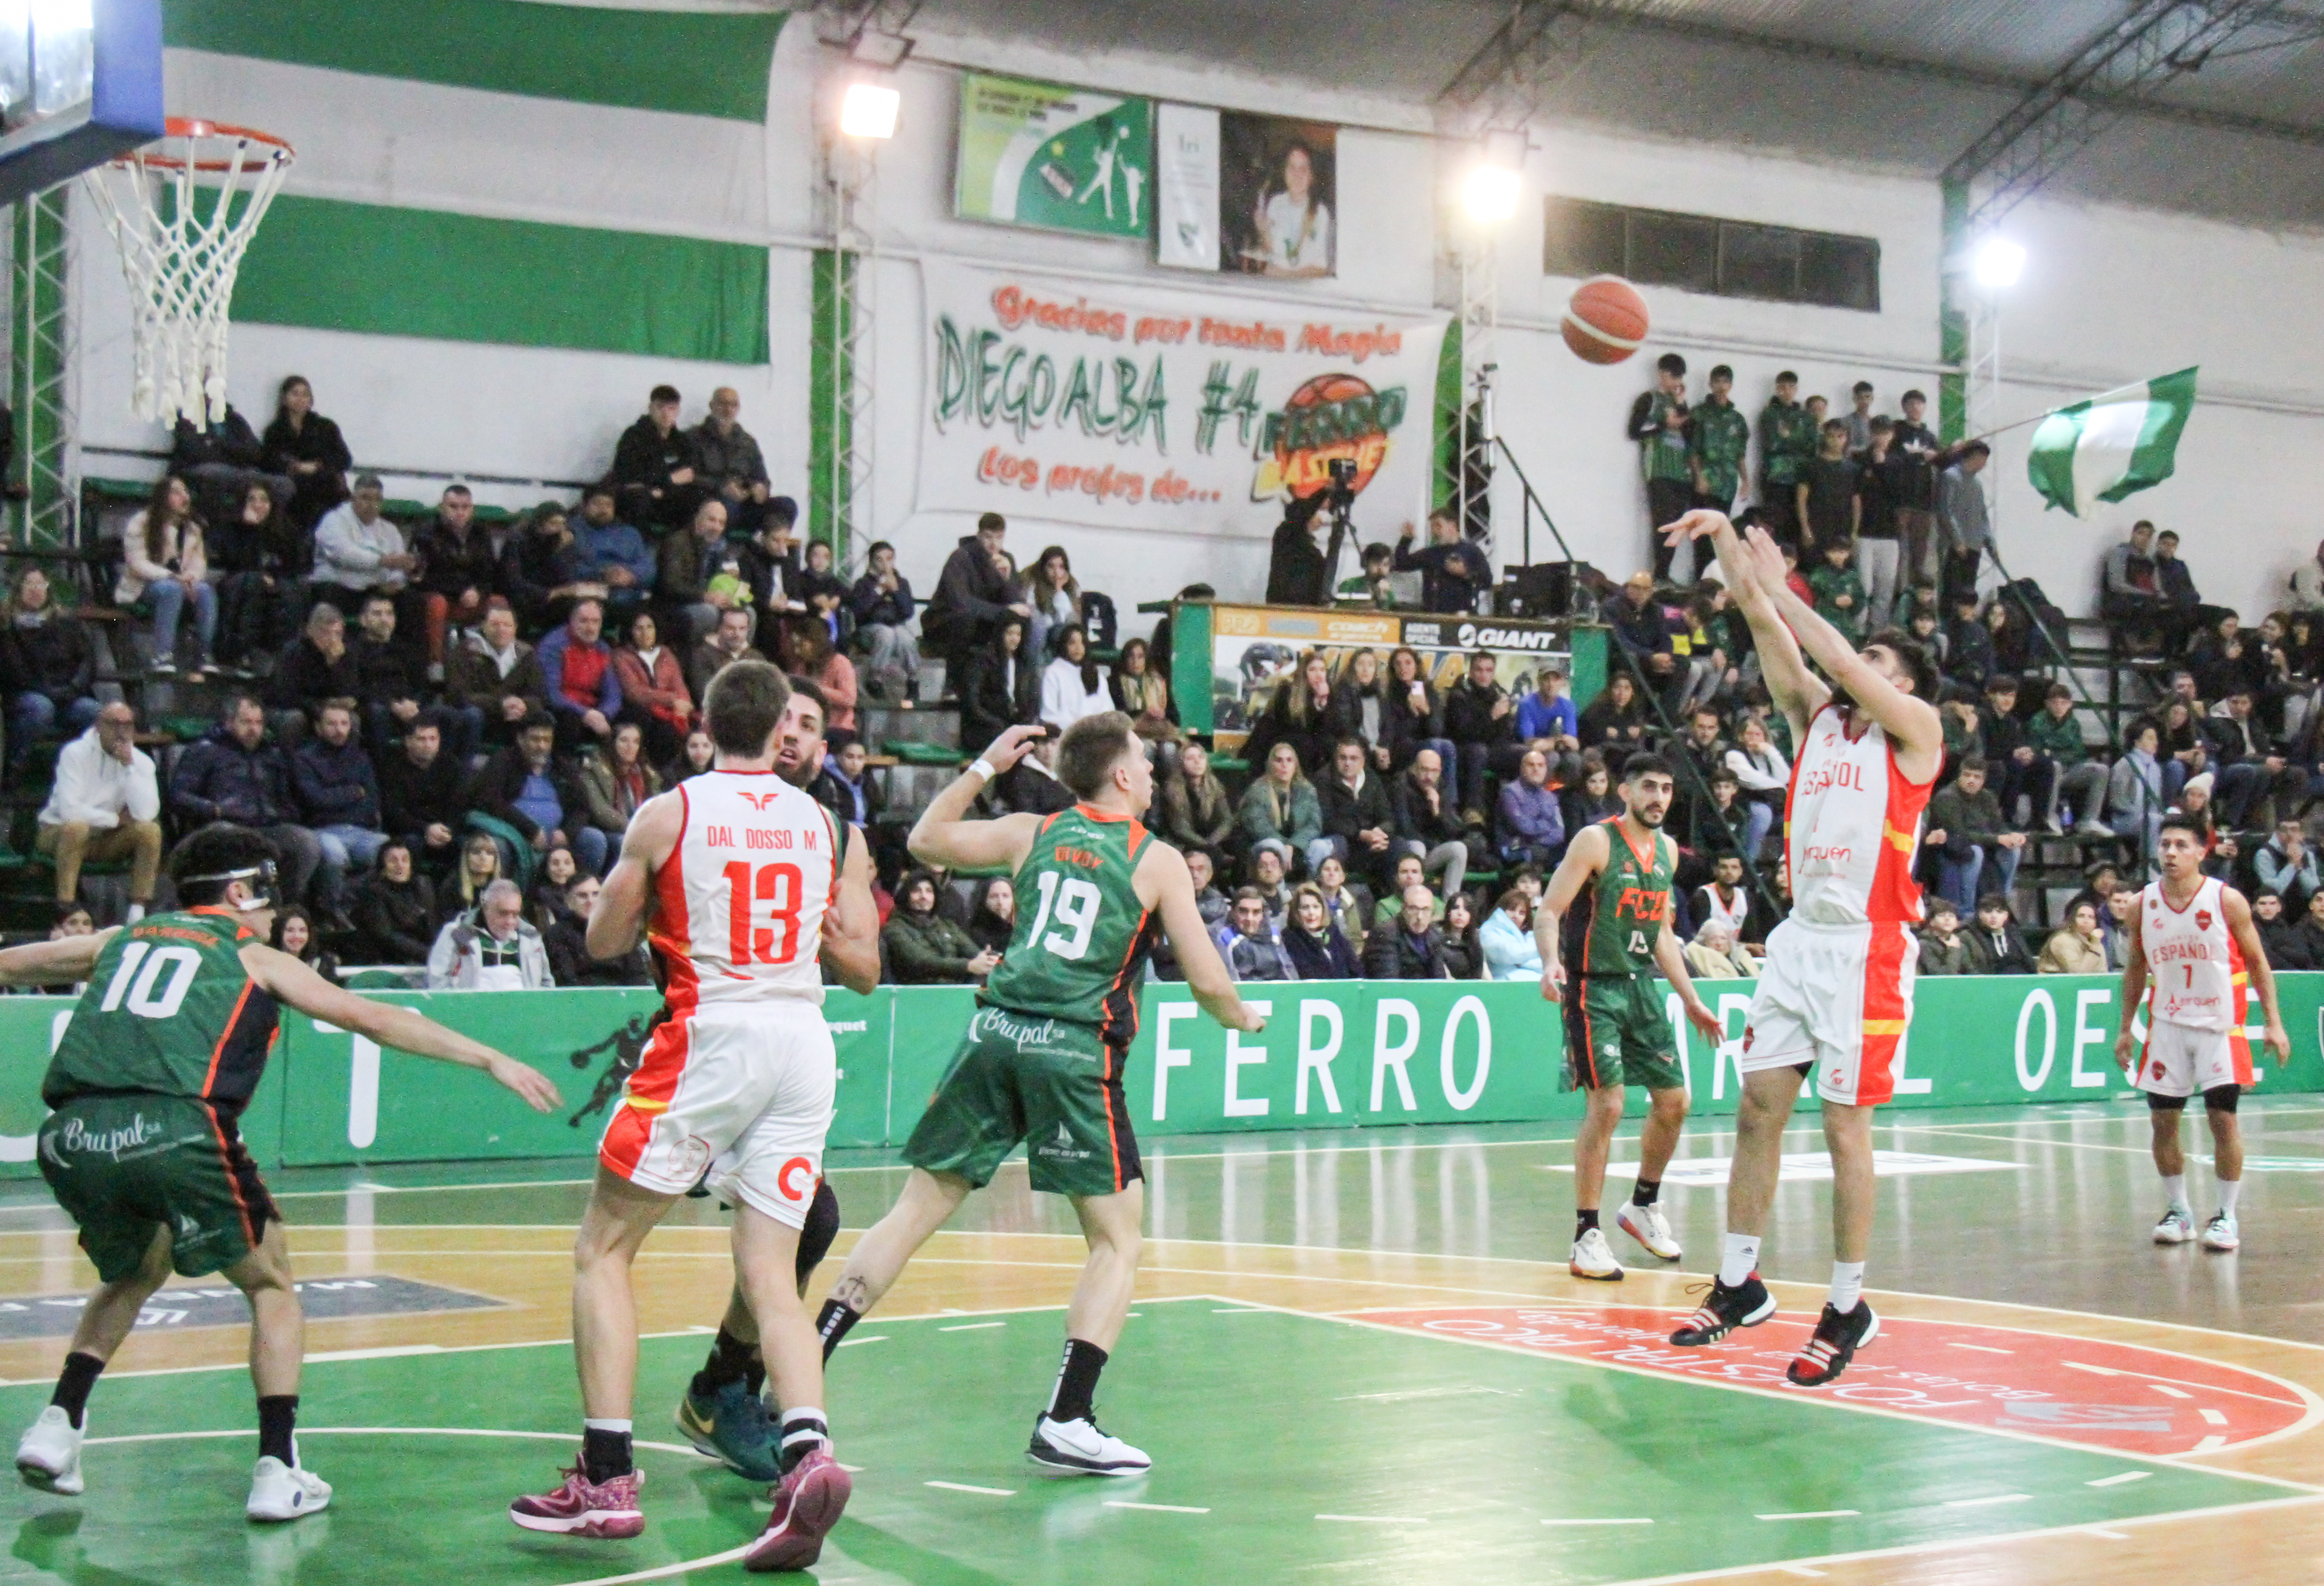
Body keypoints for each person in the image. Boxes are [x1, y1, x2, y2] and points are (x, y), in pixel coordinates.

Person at [11, 825, 556, 1520]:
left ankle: (58, 1424)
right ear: (239, 892)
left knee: (135, 1269)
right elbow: (371, 1016)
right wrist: (488, 1057)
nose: (274, 913)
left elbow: (21, 961)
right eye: (267, 893)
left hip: (72, 1134)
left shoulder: (122, 939)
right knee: (271, 1282)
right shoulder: (251, 953)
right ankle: (278, 1467)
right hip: (175, 1128)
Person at [816, 715, 1263, 1477]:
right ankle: (1067, 1416)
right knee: (1117, 1239)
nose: (1154, 775)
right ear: (1120, 776)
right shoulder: (1154, 861)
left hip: (994, 1033)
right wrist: (1243, 1016)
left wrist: (985, 766)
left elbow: (924, 836)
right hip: (1071, 1050)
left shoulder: (1031, 829)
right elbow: (1208, 978)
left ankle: (797, 1372)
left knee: (915, 1207)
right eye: (1145, 764)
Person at [511, 661, 877, 1568]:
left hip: (711, 1035)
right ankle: (806, 1451)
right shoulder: (829, 824)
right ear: (778, 731)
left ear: (704, 725)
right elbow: (855, 949)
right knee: (771, 1271)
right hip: (803, 1038)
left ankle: (605, 1476)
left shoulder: (670, 812)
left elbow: (602, 940)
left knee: (603, 1249)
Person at [1662, 507, 1944, 1385]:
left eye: (1880, 667)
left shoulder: (1917, 734)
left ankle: (1848, 1303)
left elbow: (1839, 656)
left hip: (1870, 949)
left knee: (1844, 1129)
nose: (1862, 672)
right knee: (1757, 1109)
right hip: (1798, 943)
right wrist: (1723, 540)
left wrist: (1787, 588)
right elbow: (1757, 617)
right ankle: (1740, 1282)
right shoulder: (1815, 721)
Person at [1536, 752, 1722, 1281]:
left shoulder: (1665, 850)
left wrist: (1690, 998)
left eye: (1666, 788)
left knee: (1674, 1101)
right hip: (1590, 988)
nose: (1658, 797)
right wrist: (1550, 963)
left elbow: (1661, 930)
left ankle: (1642, 1204)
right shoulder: (1595, 842)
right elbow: (1549, 910)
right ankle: (1585, 1235)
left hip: (1641, 987)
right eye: (1648, 786)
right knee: (1609, 1104)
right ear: (1625, 791)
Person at [2116, 812, 2291, 1253]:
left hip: (2219, 1026)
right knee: (2162, 1122)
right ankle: (2179, 1210)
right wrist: (2125, 1029)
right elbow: (2136, 967)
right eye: (2165, 845)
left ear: (2201, 851)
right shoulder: (2142, 904)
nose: (2171, 853)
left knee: (2222, 1120)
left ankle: (2226, 1215)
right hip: (2168, 1026)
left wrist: (2273, 1021)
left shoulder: (2226, 900)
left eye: (2180, 845)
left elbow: (2257, 962)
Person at [291, 698, 387, 927]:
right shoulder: (304, 758)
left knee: (390, 851)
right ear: (319, 728)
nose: (339, 730)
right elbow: (313, 800)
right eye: (332, 724)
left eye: (344, 724)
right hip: (322, 830)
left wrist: (335, 797)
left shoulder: (360, 757)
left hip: (361, 830)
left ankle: (354, 907)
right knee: (335, 853)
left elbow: (372, 799)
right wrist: (353, 793)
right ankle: (332, 912)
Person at [116, 474, 216, 678]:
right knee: (170, 590)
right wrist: (172, 576)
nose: (184, 497)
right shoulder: (141, 522)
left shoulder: (192, 529)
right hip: (144, 586)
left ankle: (204, 654)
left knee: (205, 590)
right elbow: (137, 563)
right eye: (176, 492)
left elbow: (199, 563)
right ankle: (162, 655)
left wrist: (191, 578)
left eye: (185, 492)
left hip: (181, 584)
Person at [3, 566, 97, 759]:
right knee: (41, 708)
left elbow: (87, 660)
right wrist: (47, 691)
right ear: (18, 590)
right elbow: (14, 669)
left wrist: (73, 688)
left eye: (40, 584)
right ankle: (15, 765)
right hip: (27, 694)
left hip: (68, 694)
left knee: (96, 713)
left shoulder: (66, 622)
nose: (35, 590)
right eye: (29, 584)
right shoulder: (7, 626)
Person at [923, 513, 1029, 678]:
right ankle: (954, 684)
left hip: (985, 620)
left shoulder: (1006, 559)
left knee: (1026, 623)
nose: (994, 544)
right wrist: (1004, 611)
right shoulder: (961, 557)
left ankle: (1015, 688)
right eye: (988, 537)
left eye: (999, 538)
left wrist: (1007, 579)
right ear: (978, 535)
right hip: (944, 620)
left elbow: (1017, 603)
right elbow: (960, 603)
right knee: (965, 620)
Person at [411, 484, 499, 676]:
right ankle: (436, 663)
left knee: (499, 604)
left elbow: (490, 572)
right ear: (442, 507)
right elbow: (423, 576)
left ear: (472, 510)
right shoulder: (425, 532)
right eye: (453, 506)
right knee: (437, 604)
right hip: (439, 596)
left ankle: (498, 662)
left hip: (472, 597)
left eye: (465, 507)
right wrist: (461, 591)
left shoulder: (481, 534)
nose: (460, 512)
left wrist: (479, 591)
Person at [1925, 756, 2025, 911]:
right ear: (1959, 776)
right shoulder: (1947, 797)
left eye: (1977, 777)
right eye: (1966, 775)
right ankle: (1967, 910)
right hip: (1952, 849)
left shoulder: (1987, 797)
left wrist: (2011, 836)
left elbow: (1998, 826)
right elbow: (1958, 834)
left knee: (2013, 850)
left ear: (1983, 781)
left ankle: (2002, 902)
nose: (1971, 780)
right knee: (1976, 852)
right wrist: (1998, 839)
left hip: (1984, 845)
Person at [311, 475, 415, 619]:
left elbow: (399, 564)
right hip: (339, 587)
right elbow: (343, 554)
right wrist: (382, 561)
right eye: (365, 498)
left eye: (377, 499)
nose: (372, 505)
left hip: (376, 590)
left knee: (411, 601)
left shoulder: (390, 529)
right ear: (353, 499)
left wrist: (395, 581)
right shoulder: (334, 520)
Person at [260, 374, 351, 531]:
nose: (300, 399)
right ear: (284, 399)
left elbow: (344, 459)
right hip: (295, 487)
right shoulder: (275, 431)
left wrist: (317, 466)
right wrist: (295, 467)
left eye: (305, 394)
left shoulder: (326, 427)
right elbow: (269, 460)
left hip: (325, 484)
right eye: (295, 394)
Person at [608, 383, 703, 530]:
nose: (666, 414)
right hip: (641, 497)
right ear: (651, 408)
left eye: (671, 409)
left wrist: (662, 488)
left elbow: (687, 475)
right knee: (638, 498)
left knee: (696, 497)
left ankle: (680, 546)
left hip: (667, 496)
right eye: (660, 408)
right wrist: (668, 480)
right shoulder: (634, 437)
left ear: (678, 411)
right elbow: (630, 475)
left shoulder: (682, 441)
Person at [1629, 354, 1691, 577]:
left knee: (1677, 525)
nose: (1676, 382)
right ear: (1662, 375)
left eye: (1679, 378)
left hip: (1682, 474)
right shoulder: (1649, 399)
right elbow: (1635, 431)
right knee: (1663, 523)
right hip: (1659, 471)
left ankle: (1667, 572)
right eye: (1672, 376)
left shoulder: (1680, 403)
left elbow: (1691, 435)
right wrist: (1664, 424)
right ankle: (1660, 574)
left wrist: (1682, 404)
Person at [883, 870, 996, 984]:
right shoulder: (895, 928)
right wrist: (968, 966)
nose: (924, 897)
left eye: (929, 891)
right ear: (905, 895)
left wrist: (988, 959)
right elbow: (921, 961)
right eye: (917, 891)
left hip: (953, 991)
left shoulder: (947, 926)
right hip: (916, 993)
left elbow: (972, 951)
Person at [1315, 735, 1398, 884]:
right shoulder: (1323, 779)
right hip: (1344, 841)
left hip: (1371, 841)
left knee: (1400, 847)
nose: (1348, 763)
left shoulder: (1372, 779)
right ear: (1335, 759)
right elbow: (1327, 820)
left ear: (1363, 761)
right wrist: (1360, 834)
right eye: (1343, 758)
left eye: (1354, 759)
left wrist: (1379, 833)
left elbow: (1387, 817)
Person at [1392, 746, 1469, 902]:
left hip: (1430, 851)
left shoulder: (1442, 788)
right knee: (1417, 846)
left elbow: (1452, 832)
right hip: (1408, 851)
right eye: (1424, 770)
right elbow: (1404, 828)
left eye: (1434, 771)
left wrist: (1436, 811)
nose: (1429, 776)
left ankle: (1450, 904)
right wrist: (1430, 844)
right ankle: (1412, 900)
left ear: (1440, 771)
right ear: (1414, 768)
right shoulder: (1400, 785)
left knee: (1459, 849)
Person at [691, 386, 771, 533]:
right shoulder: (694, 438)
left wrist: (759, 489)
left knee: (786, 505)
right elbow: (689, 477)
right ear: (712, 406)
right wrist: (721, 487)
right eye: (723, 404)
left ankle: (775, 551)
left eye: (733, 405)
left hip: (744, 501)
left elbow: (763, 478)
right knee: (725, 505)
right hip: (710, 499)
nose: (728, 410)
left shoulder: (748, 442)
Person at [847, 539, 920, 702]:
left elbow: (908, 612)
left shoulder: (902, 583)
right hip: (870, 629)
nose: (885, 564)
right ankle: (875, 678)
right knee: (886, 634)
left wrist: (896, 593)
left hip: (896, 627)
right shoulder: (863, 584)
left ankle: (913, 679)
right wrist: (879, 590)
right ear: (872, 562)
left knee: (906, 637)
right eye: (879, 559)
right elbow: (860, 612)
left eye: (889, 559)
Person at [1250, 140, 1331, 278]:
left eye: (1303, 169)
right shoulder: (1276, 204)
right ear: (1284, 172)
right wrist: (1263, 232)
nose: (1297, 175)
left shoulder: (1320, 213)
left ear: (1311, 176)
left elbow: (1321, 269)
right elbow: (1271, 252)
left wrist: (1286, 275)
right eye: (1292, 168)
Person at [1237, 741, 1319, 875]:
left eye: (1289, 760)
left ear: (1295, 765)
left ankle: (1313, 890)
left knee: (1319, 847)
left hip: (1297, 845)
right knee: (1275, 848)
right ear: (1271, 764)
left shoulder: (1307, 790)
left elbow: (1314, 825)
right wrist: (1284, 846)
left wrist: (1294, 845)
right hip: (1264, 844)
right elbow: (1259, 828)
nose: (1284, 765)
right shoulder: (1257, 791)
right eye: (1279, 760)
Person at [353, 840, 437, 965]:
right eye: (393, 861)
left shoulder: (422, 886)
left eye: (405, 860)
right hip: (385, 959)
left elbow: (432, 927)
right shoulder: (373, 892)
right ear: (383, 866)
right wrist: (428, 954)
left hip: (421, 957)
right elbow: (386, 936)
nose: (400, 865)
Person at [1394, 507, 1490, 615]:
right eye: (1433, 527)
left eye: (1439, 526)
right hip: (1433, 613)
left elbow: (1487, 581)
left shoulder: (1472, 551)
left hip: (1462, 614)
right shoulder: (1430, 553)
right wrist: (1406, 540)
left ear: (1452, 526)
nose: (1435, 531)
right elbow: (1402, 564)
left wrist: (1465, 573)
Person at [1157, 738, 1235, 859]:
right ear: (1181, 764)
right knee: (1214, 855)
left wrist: (1212, 843)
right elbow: (1180, 829)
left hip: (1211, 840)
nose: (1197, 762)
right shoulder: (1173, 790)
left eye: (1201, 757)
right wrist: (1206, 846)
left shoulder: (1215, 786)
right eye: (1190, 758)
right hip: (1183, 842)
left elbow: (1227, 821)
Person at [1495, 746, 1565, 869]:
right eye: (1531, 765)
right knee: (1533, 855)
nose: (1536, 769)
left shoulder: (1551, 797)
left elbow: (1559, 832)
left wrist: (1540, 842)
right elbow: (1523, 827)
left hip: (1542, 849)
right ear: (1522, 769)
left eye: (1540, 765)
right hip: (1514, 850)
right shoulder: (1510, 792)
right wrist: (1545, 826)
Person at [1282, 883, 1358, 979]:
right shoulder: (1289, 938)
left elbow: (1356, 970)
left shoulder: (1334, 933)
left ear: (1323, 909)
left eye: (1316, 907)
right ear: (1296, 911)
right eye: (1305, 907)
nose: (1311, 913)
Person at [1222, 887, 1295, 980]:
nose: (1250, 918)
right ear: (1233, 912)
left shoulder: (1274, 935)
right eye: (1243, 911)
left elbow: (1290, 973)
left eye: (1256, 912)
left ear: (1263, 915)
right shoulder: (1224, 937)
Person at [2255, 815, 2320, 912]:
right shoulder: (2265, 854)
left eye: (2294, 830)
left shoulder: (2308, 854)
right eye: (2284, 830)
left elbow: (2314, 891)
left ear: (2301, 835)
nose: (2289, 834)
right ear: (2277, 833)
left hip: (2303, 910)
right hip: (2274, 911)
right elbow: (2273, 891)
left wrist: (2299, 867)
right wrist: (2292, 864)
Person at [1964, 892, 2037, 974]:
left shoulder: (2014, 934)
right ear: (1979, 915)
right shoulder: (1968, 935)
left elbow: (2028, 963)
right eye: (1988, 911)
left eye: (1999, 912)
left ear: (2006, 915)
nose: (1994, 916)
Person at [1479, 888, 1540, 981]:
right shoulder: (1488, 930)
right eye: (1512, 910)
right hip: (1502, 983)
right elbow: (1508, 954)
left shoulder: (1530, 935)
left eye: (1522, 913)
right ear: (1502, 909)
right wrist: (1538, 949)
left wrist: (1519, 960)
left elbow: (1541, 964)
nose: (1516, 916)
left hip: (1533, 979)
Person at [2037, 898, 2107, 973]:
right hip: (2056, 983)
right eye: (2081, 916)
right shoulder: (2062, 940)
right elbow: (2077, 974)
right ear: (2072, 919)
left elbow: (2103, 972)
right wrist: (2094, 948)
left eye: (2091, 917)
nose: (2086, 921)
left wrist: (2095, 944)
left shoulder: (2096, 942)